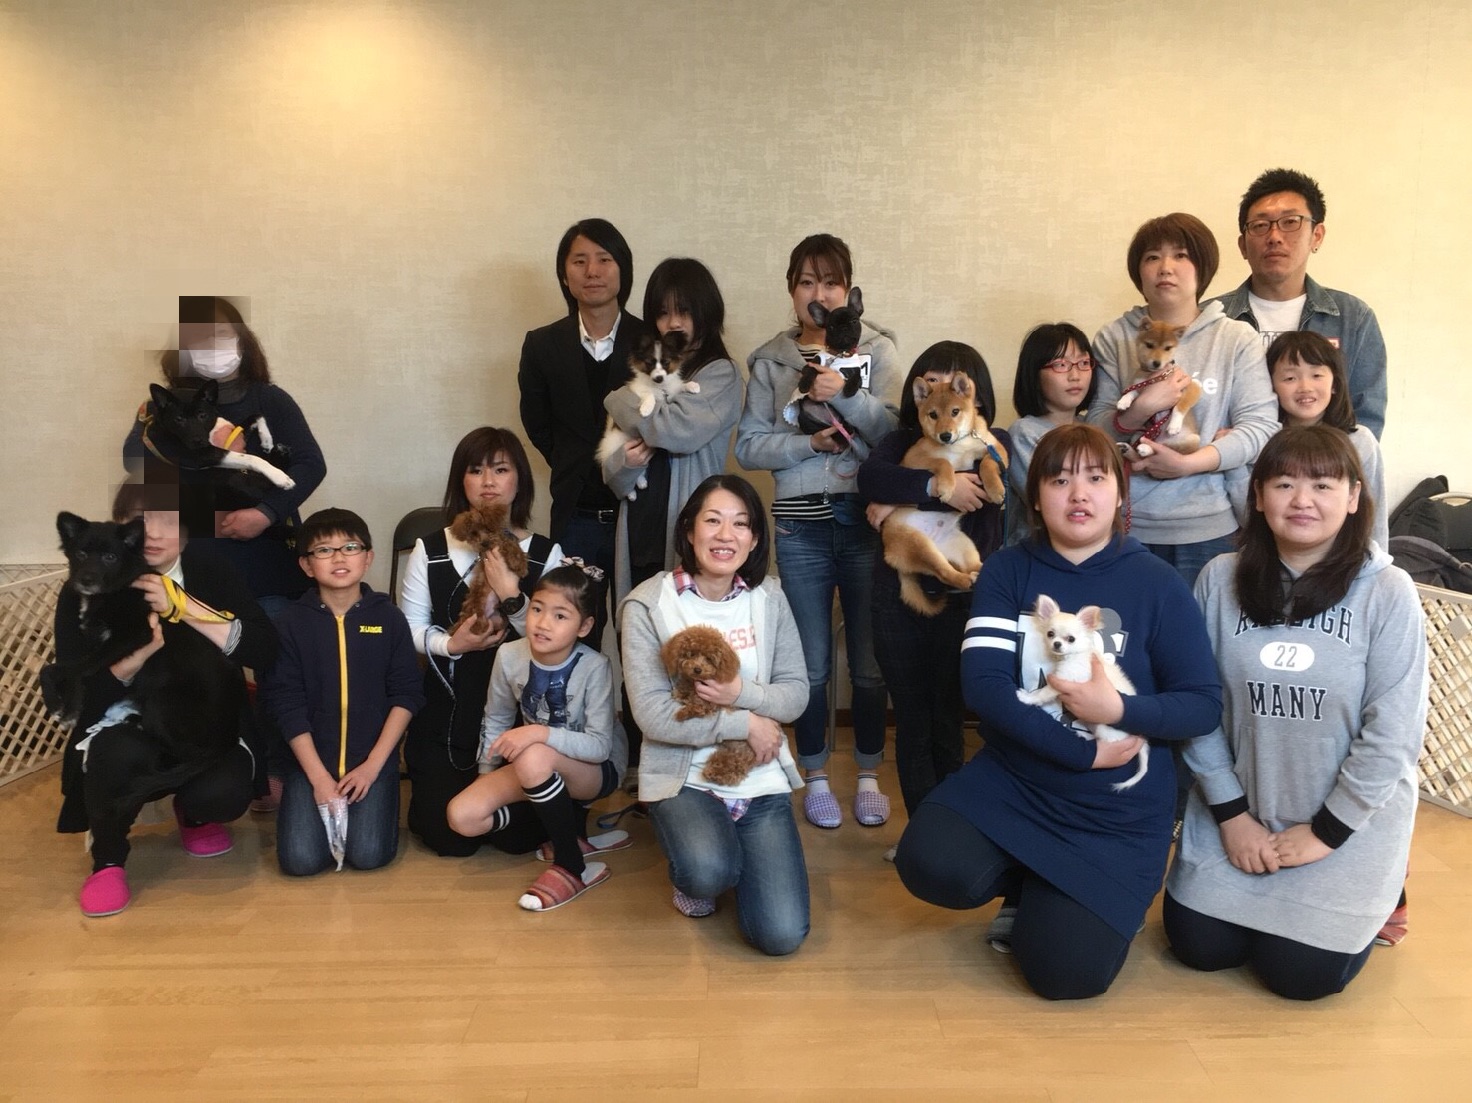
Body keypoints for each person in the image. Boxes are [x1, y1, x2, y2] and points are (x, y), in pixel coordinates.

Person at [894, 424, 1222, 999]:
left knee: (1065, 975)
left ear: (1120, 492)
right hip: (1018, 780)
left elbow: (1202, 705)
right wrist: (1082, 752)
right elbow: (985, 688)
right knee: (929, 862)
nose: (1079, 494)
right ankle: (1028, 880)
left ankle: (1051, 895)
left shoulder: (1159, 583)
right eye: (1060, 480)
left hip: (1116, 808)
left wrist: (1117, 707)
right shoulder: (1007, 570)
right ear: (1036, 495)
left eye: (1096, 478)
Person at [1164, 425, 1426, 999]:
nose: (1302, 500)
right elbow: (1198, 706)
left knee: (1298, 977)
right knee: (1200, 948)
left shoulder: (1389, 591)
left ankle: (1381, 902)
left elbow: (1394, 735)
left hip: (1343, 828)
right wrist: (1232, 817)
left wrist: (1327, 832)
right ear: (1258, 495)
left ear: (1353, 497)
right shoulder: (1219, 579)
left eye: (1323, 485)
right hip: (1237, 816)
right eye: (1284, 484)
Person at [735, 233, 899, 828]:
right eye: (807, 282)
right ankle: (816, 775)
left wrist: (847, 397)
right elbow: (749, 447)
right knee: (809, 666)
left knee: (869, 663)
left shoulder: (877, 349)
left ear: (848, 290)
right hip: (799, 527)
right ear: (792, 291)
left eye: (831, 282)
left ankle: (870, 774)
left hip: (864, 521)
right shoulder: (771, 360)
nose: (820, 293)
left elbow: (896, 433)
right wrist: (810, 444)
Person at [57, 485, 277, 918]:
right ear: (121, 530)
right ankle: (108, 859)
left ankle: (192, 813)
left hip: (200, 712)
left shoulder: (208, 568)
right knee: (115, 755)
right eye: (140, 523)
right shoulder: (85, 582)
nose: (154, 533)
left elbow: (265, 650)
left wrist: (184, 606)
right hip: (123, 715)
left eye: (169, 521)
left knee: (223, 791)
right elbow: (74, 690)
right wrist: (134, 659)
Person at [620, 474, 811, 955]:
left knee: (781, 935)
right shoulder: (648, 603)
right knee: (708, 872)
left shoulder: (769, 597)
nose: (726, 535)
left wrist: (740, 691)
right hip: (684, 778)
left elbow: (795, 695)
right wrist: (744, 721)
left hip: (758, 774)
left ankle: (731, 852)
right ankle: (703, 866)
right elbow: (653, 714)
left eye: (741, 524)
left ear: (755, 538)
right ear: (689, 530)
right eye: (713, 521)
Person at [858, 341, 1010, 820]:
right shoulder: (899, 442)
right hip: (897, 598)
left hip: (964, 597)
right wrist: (931, 488)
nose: (944, 394)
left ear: (973, 393)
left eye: (955, 383)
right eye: (931, 383)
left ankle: (951, 826)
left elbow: (997, 486)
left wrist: (903, 497)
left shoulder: (992, 439)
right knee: (912, 718)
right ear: (919, 397)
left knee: (949, 716)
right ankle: (921, 830)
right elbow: (871, 479)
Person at [1088, 213, 1280, 590]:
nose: (1165, 267)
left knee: (1201, 629)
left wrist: (1188, 464)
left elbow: (1261, 429)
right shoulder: (1113, 337)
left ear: (1202, 267)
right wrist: (1141, 408)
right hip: (1125, 525)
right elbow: (1095, 428)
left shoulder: (1235, 339)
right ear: (1139, 272)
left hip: (1210, 529)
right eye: (1152, 257)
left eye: (1180, 255)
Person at [398, 428, 564, 857]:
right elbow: (409, 629)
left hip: (521, 718)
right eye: (475, 470)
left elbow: (558, 641)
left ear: (519, 481)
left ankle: (505, 815)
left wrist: (511, 595)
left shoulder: (545, 553)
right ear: (461, 481)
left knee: (517, 839)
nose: (488, 481)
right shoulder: (430, 548)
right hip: (446, 712)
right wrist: (453, 646)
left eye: (501, 470)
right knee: (447, 837)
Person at [124, 295, 327, 612]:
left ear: (242, 339)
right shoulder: (162, 405)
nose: (212, 345)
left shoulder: (270, 399)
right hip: (191, 563)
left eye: (221, 333)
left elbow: (311, 464)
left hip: (266, 561)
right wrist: (210, 454)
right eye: (199, 338)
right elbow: (134, 459)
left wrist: (266, 513)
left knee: (272, 638)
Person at [446, 565, 630, 911]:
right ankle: (569, 831)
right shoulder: (509, 655)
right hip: (539, 767)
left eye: (560, 616)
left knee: (533, 754)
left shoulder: (595, 666)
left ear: (584, 626)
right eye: (537, 609)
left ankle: (572, 866)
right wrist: (487, 773)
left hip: (597, 770)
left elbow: (599, 746)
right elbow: (497, 717)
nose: (543, 623)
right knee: (463, 816)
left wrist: (539, 732)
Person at [265, 509, 424, 875]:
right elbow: (285, 703)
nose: (339, 557)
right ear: (306, 565)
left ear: (368, 558)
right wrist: (319, 779)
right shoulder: (289, 623)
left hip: (371, 761)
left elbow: (406, 695)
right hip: (311, 763)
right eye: (324, 550)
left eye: (350, 547)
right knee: (300, 861)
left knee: (368, 855)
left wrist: (372, 767)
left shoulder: (389, 618)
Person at [519, 219, 649, 648]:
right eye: (579, 261)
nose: (592, 271)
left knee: (642, 635)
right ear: (564, 274)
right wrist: (574, 463)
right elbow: (537, 423)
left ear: (623, 270)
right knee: (571, 634)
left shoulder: (650, 340)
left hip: (639, 511)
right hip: (576, 515)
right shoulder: (542, 345)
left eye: (604, 259)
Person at [1213, 168, 1388, 438]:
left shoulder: (1353, 317)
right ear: (1243, 246)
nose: (1274, 236)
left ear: (1316, 235)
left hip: (1322, 464)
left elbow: (1365, 420)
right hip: (1227, 463)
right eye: (1260, 225)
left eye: (1290, 222)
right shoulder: (1211, 318)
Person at [1225, 331, 1388, 550]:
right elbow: (1251, 518)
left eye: (1316, 375)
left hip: (1342, 560)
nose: (1305, 387)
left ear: (1335, 383)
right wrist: (1233, 459)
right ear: (1269, 386)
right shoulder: (1259, 440)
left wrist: (1376, 565)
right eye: (1290, 378)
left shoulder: (1360, 441)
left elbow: (1373, 519)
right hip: (1272, 556)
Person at [1006, 323, 1099, 544]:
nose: (1075, 375)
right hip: (1036, 552)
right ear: (1034, 374)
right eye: (1061, 365)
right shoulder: (1023, 433)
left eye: (1083, 363)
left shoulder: (1094, 427)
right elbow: (1050, 502)